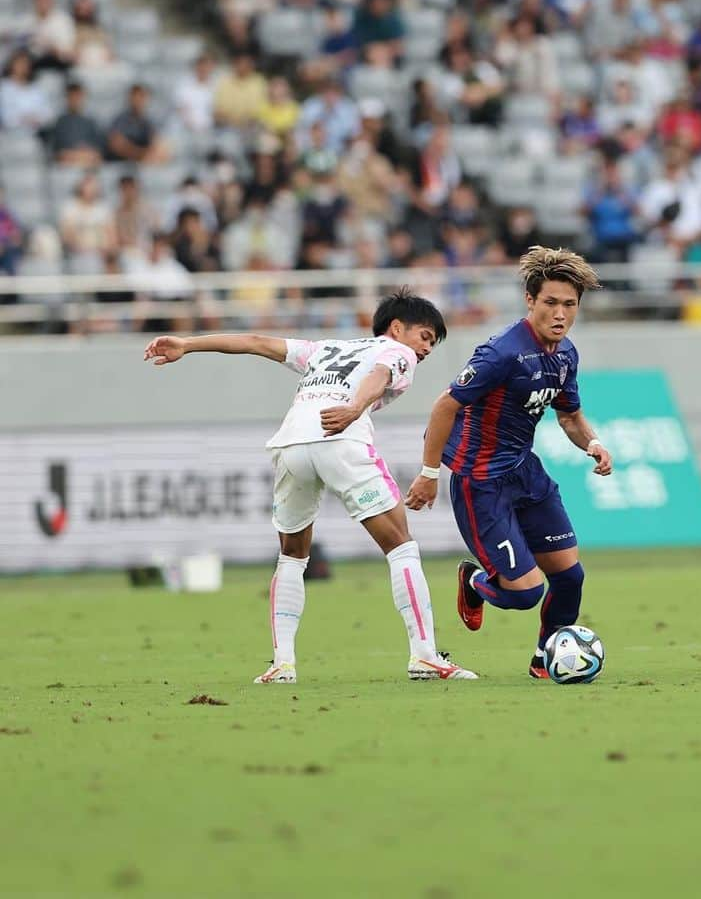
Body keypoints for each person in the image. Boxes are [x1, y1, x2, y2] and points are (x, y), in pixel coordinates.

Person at [143, 289, 477, 684]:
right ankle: (423, 656)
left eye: (433, 344)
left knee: (292, 556)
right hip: (340, 437)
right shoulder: (396, 351)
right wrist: (353, 408)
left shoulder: (325, 348)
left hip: (290, 446)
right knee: (400, 545)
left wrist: (188, 345)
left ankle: (282, 664)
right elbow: (379, 376)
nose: (426, 349)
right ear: (397, 327)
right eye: (425, 336)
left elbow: (256, 343)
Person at [404, 247, 613, 679]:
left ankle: (544, 660)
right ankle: (476, 582)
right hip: (481, 483)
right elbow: (445, 405)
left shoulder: (565, 355)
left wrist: (592, 443)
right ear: (530, 301)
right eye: (550, 303)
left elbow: (570, 415)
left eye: (569, 305)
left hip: (526, 474)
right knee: (525, 593)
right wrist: (428, 474)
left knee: (570, 577)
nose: (559, 313)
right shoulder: (501, 353)